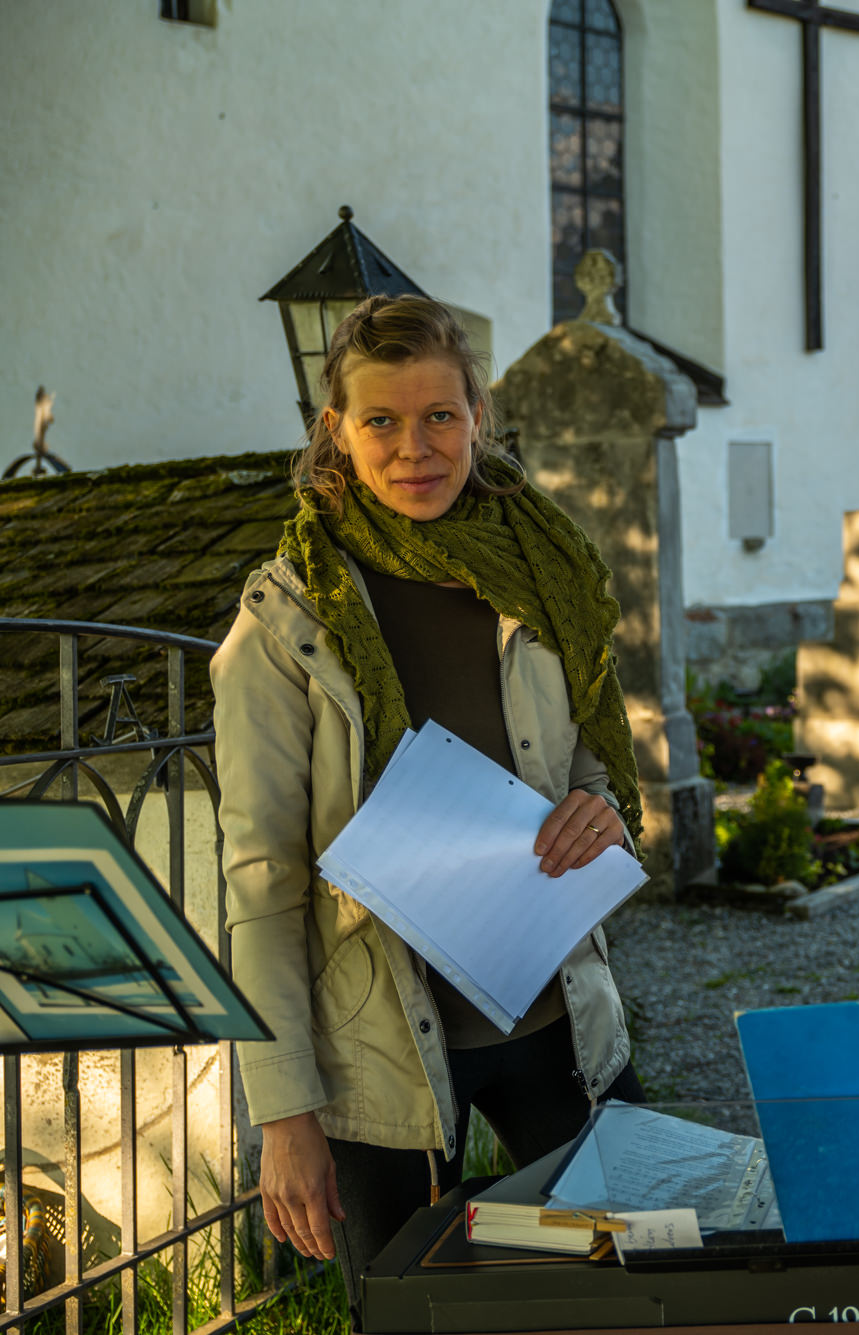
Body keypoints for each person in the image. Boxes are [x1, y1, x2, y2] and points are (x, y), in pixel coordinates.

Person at [212, 295, 645, 1307]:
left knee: (632, 1289)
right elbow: (262, 882)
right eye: (382, 421)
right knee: (410, 1314)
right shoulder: (286, 621)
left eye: (439, 416)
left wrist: (604, 812)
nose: (415, 447)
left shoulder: (544, 570)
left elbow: (591, 767)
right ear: (337, 431)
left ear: (477, 415)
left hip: (558, 1017)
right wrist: (284, 1114)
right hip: (379, 1058)